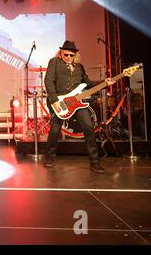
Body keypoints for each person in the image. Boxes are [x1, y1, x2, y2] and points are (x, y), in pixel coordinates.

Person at [44, 40, 115, 173]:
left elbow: (87, 83)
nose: (69, 58)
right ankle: (49, 156)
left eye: (71, 55)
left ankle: (94, 162)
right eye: (66, 55)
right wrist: (54, 100)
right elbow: (48, 81)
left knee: (89, 127)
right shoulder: (54, 62)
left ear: (75, 55)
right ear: (61, 53)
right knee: (55, 130)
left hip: (77, 102)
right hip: (59, 101)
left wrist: (104, 83)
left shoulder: (79, 67)